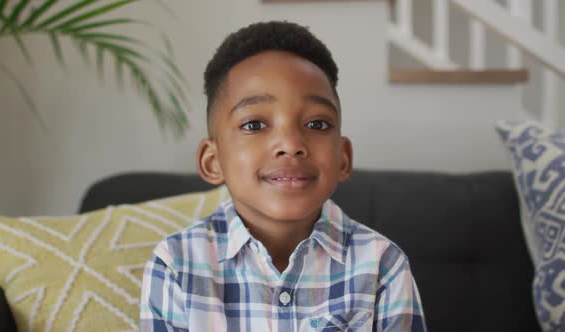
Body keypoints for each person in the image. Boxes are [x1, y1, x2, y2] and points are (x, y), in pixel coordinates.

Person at [140, 21, 427, 331]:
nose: (291, 145)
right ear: (213, 161)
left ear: (344, 158)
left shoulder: (383, 264)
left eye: (317, 124)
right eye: (254, 125)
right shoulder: (176, 264)